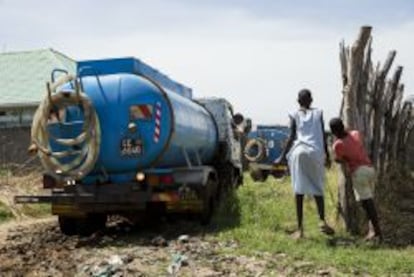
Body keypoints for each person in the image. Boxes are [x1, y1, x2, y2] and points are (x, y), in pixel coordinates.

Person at [275, 89, 334, 239]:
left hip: (299, 152)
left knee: (299, 190)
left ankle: (300, 229)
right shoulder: (319, 113)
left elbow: (292, 136)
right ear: (311, 100)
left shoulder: (295, 114)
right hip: (315, 152)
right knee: (318, 187)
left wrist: (281, 157)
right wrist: (327, 155)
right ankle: (321, 220)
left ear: (298, 101)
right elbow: (322, 134)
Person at [329, 117, 382, 241]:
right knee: (369, 202)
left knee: (368, 205)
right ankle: (373, 231)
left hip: (359, 173)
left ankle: (377, 232)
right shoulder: (355, 134)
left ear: (333, 132)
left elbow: (338, 158)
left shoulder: (338, 144)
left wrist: (342, 158)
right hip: (370, 169)